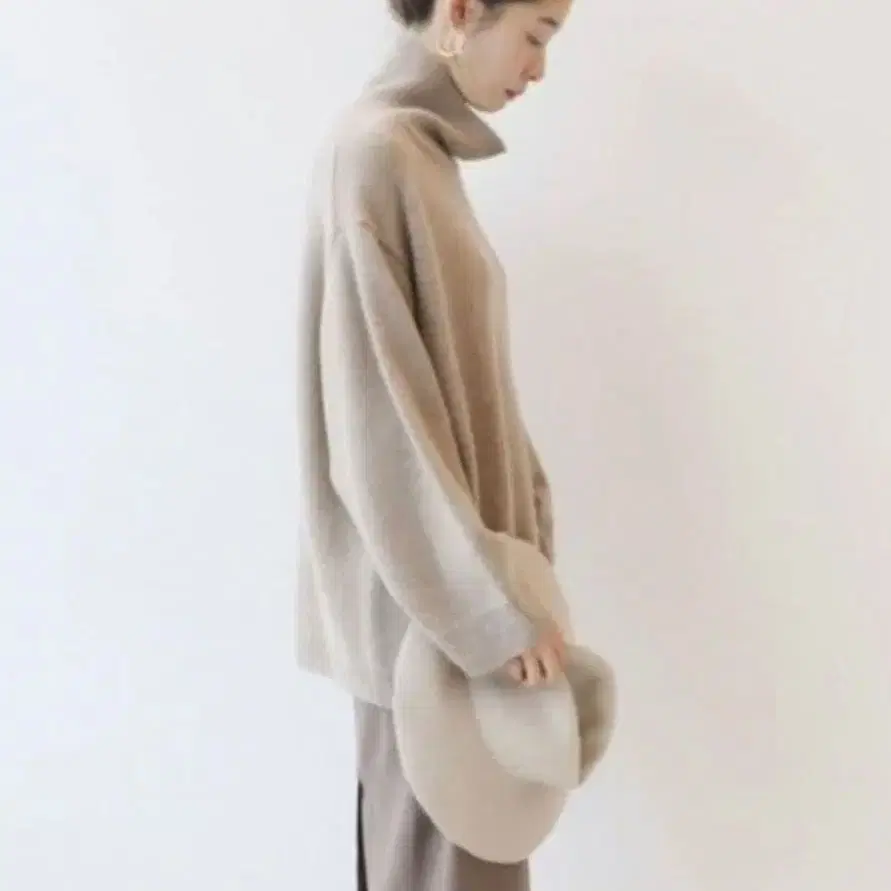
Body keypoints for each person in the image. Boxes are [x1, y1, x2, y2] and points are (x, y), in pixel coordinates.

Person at [293, 0, 575, 888]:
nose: (538, 67)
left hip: (467, 621)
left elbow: (472, 394)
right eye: (536, 32)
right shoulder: (373, 154)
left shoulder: (418, 157)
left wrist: (523, 571)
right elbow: (376, 426)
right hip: (432, 633)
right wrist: (485, 609)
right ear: (459, 10)